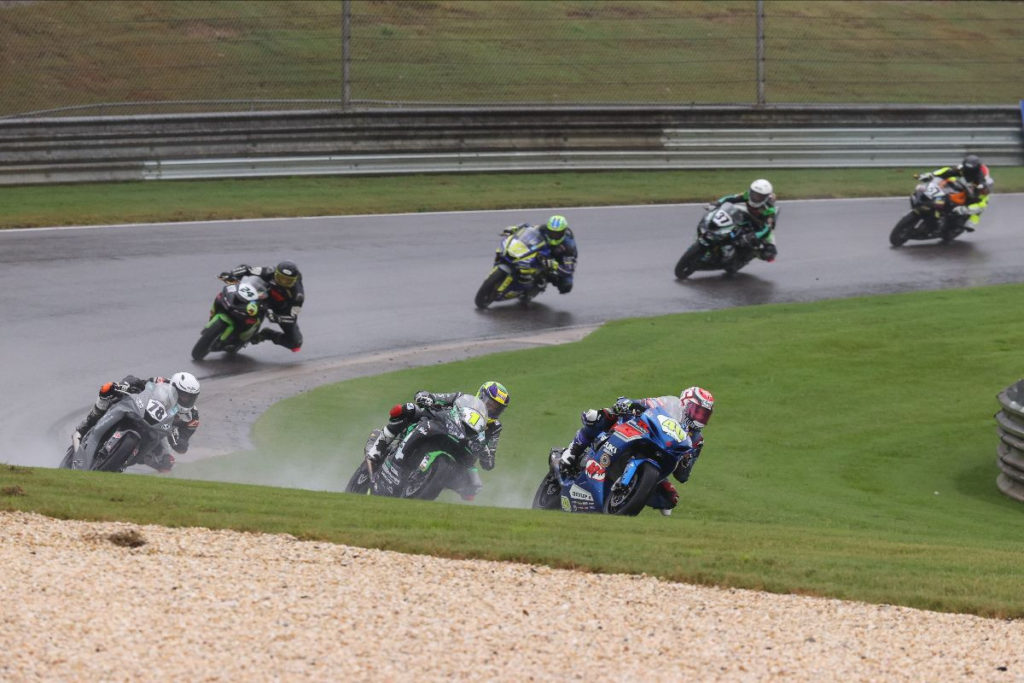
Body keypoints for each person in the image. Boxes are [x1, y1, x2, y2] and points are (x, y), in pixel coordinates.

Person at [558, 386, 714, 514]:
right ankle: (572, 451)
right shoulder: (670, 405)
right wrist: (630, 404)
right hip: (644, 435)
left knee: (671, 498)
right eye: (698, 411)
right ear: (685, 404)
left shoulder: (697, 440)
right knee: (601, 415)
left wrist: (686, 462)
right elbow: (645, 403)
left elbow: (682, 476)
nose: (700, 418)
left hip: (661, 460)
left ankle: (630, 496)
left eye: (704, 415)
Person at [364, 381, 510, 497]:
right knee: (408, 409)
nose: (491, 409)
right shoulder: (462, 398)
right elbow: (437, 397)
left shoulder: (495, 427)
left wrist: (485, 453)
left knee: (473, 487)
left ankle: (430, 483)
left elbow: (489, 461)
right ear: (481, 395)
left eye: (497, 408)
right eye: (490, 404)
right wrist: (426, 397)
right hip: (441, 425)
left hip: (464, 450)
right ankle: (378, 446)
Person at [72, 372, 201, 472]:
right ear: (174, 388)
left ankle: (128, 459)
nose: (186, 399)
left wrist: (178, 440)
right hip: (140, 409)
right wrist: (127, 385)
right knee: (108, 389)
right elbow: (139, 383)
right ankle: (88, 423)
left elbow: (183, 445)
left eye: (190, 397)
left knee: (167, 463)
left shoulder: (191, 416)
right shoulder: (161, 382)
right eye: (184, 395)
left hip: (161, 431)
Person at [219, 260, 305, 351]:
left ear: (294, 281)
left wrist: (278, 318)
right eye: (280, 278)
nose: (282, 282)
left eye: (287, 281)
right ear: (276, 273)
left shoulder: (298, 296)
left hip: (280, 309)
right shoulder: (270, 271)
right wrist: (233, 274)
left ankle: (267, 334)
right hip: (263, 294)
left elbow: (292, 316)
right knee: (240, 292)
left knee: (295, 343)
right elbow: (249, 269)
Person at [705, 178, 778, 262]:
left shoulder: (769, 209)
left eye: (759, 196)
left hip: (759, 223)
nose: (755, 197)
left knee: (770, 253)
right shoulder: (747, 194)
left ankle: (752, 254)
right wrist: (717, 203)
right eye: (753, 194)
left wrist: (754, 236)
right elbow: (731, 198)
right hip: (745, 215)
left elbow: (768, 228)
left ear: (765, 198)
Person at [503, 215, 578, 294]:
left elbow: (568, 270)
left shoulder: (569, 246)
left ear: (563, 232)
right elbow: (528, 227)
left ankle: (540, 282)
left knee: (566, 285)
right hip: (543, 250)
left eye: (557, 234)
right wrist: (515, 228)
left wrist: (554, 265)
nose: (554, 236)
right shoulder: (543, 228)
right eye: (551, 232)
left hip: (558, 260)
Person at [916, 154, 994, 230]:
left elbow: (985, 185)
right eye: (967, 169)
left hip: (978, 187)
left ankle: (969, 219)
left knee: (982, 204)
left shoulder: (982, 175)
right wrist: (932, 175)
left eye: (971, 170)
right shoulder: (962, 168)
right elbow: (949, 171)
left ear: (976, 169)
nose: (968, 171)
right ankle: (935, 197)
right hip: (965, 184)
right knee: (949, 178)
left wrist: (982, 187)